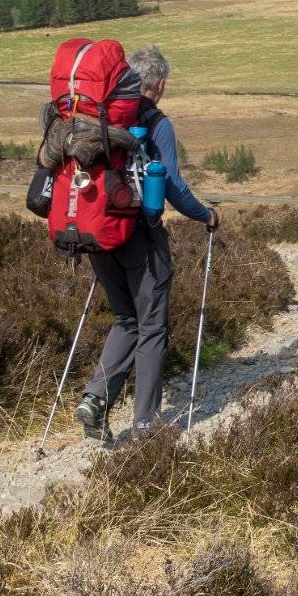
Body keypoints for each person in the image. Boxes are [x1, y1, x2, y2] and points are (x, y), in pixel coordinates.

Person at [76, 44, 218, 444]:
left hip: (97, 232)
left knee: (127, 320)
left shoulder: (96, 116)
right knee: (152, 326)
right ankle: (145, 427)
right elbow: (171, 184)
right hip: (140, 236)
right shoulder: (157, 123)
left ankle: (95, 398)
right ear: (161, 84)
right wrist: (205, 215)